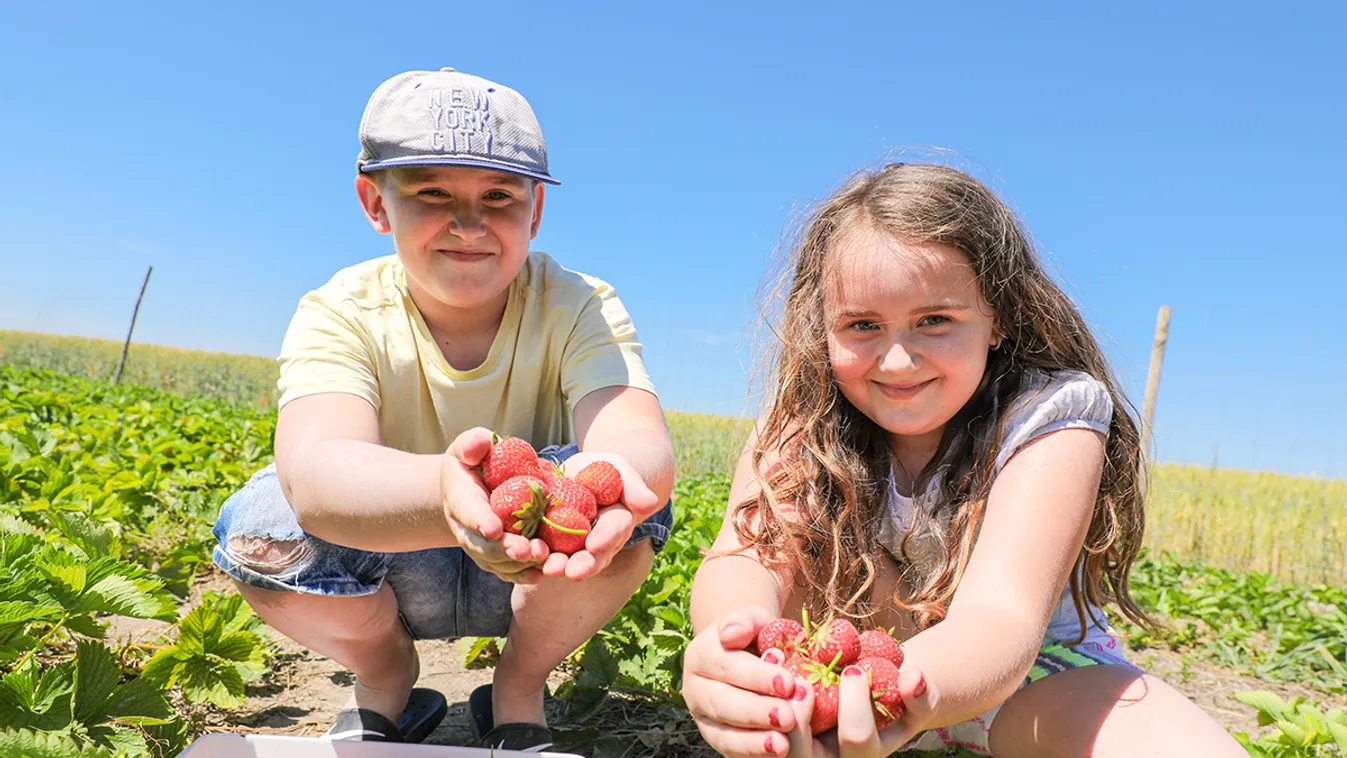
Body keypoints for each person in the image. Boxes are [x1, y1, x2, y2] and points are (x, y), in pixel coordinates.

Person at [681, 163, 1244, 757]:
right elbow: (747, 556)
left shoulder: (1049, 415)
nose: (897, 361)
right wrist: (734, 644)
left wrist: (891, 689)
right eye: (863, 325)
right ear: (820, 329)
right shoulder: (802, 418)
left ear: (997, 316)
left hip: (1024, 682)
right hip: (843, 670)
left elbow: (1001, 618)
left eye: (935, 321)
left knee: (1143, 729)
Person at [210, 67, 675, 750]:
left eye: (499, 195)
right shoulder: (340, 309)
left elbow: (632, 434)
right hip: (389, 555)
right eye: (431, 193)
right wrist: (445, 493)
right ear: (374, 202)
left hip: (536, 562)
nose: (470, 223)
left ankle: (517, 687)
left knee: (632, 506)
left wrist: (616, 474)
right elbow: (314, 473)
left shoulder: (579, 303)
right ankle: (385, 677)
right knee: (262, 526)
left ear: (535, 210)